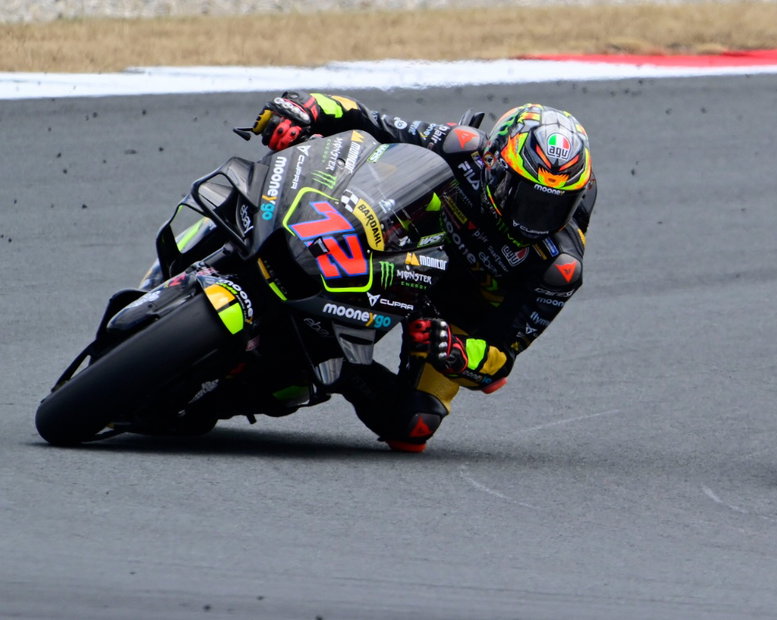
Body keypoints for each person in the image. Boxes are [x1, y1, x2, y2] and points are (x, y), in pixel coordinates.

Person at [250, 92, 596, 451]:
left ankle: (337, 366)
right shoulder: (464, 149)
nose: (537, 219)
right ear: (494, 165)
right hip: (404, 245)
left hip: (456, 309)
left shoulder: (558, 267)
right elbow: (370, 121)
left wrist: (455, 351)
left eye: (556, 206)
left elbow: (500, 358)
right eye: (527, 198)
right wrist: (308, 108)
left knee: (414, 424)